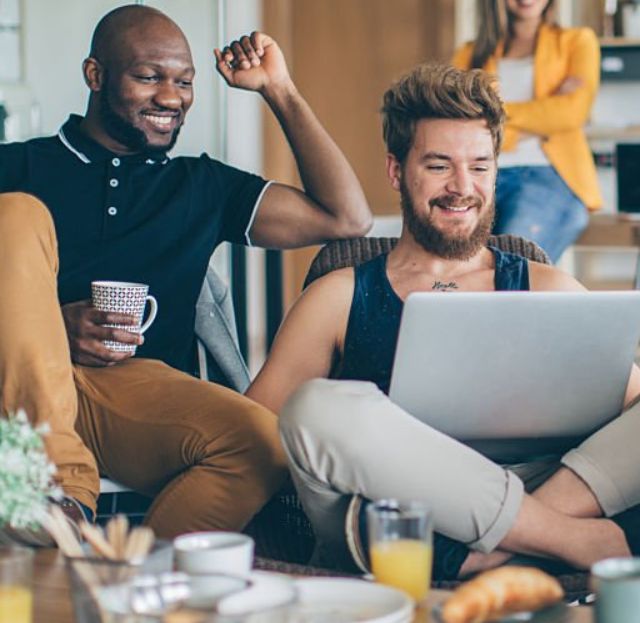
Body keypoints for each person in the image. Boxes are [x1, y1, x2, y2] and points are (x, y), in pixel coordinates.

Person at [0, 4, 372, 539]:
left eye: (185, 82)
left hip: (130, 396)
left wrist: (279, 90)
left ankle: (130, 587)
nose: (171, 98)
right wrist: (47, 325)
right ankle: (55, 486)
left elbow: (346, 218)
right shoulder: (2, 167)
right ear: (95, 75)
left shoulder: (200, 186)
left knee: (262, 443)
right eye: (149, 77)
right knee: (14, 212)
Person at [245, 62, 640, 579]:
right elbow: (249, 432)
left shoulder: (551, 288)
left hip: (523, 488)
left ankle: (489, 553)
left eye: (480, 166)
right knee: (316, 408)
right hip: (391, 507)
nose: (462, 187)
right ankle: (567, 538)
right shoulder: (338, 296)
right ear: (395, 171)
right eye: (438, 166)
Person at [452, 0, 602, 263]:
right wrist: (541, 116)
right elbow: (458, 123)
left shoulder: (578, 42)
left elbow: (572, 113)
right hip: (480, 177)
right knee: (455, 264)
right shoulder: (468, 55)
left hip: (549, 176)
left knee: (509, 263)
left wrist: (493, 114)